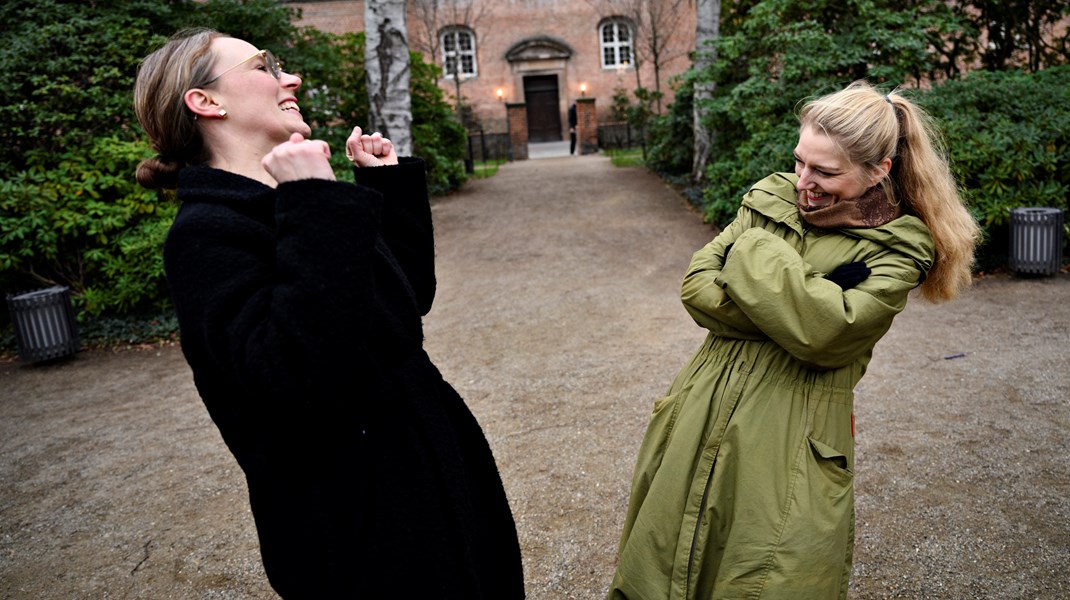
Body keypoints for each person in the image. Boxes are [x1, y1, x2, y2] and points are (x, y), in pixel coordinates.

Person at [133, 29, 524, 599]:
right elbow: (297, 372)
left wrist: (381, 187)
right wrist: (316, 203)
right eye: (264, 66)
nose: (289, 78)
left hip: (433, 468)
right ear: (206, 101)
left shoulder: (292, 199)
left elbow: (406, 304)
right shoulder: (205, 235)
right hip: (358, 523)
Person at [607, 81, 979, 599]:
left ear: (880, 170)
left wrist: (752, 251)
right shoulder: (771, 194)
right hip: (700, 407)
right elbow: (696, 290)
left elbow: (829, 334)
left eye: (826, 171)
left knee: (762, 578)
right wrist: (806, 299)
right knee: (663, 566)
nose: (804, 181)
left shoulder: (901, 244)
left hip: (791, 438)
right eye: (800, 161)